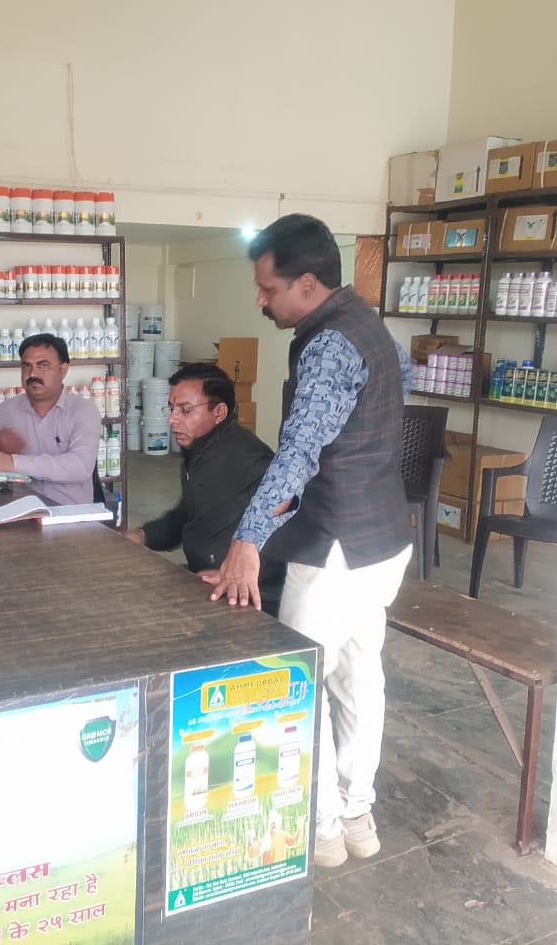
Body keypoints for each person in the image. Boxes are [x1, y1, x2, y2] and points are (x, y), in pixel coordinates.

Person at [204, 214, 414, 869]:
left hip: (334, 547)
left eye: (268, 289)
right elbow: (398, 387)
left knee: (298, 682)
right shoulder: (370, 324)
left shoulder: (327, 347)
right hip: (384, 538)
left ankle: (319, 828)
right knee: (359, 678)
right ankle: (357, 814)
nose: (260, 301)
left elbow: (297, 454)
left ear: (307, 284)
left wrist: (248, 540)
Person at [124, 363, 285, 613]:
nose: (171, 419)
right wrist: (144, 536)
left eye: (185, 410)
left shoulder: (251, 459)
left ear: (219, 412)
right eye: (171, 408)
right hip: (202, 577)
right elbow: (188, 513)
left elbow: (286, 527)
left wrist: (237, 572)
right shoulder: (199, 451)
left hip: (242, 594)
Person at [0, 333, 101, 506]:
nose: (32, 373)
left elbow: (81, 466)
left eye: (43, 365)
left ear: (63, 370)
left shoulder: (83, 411)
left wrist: (12, 463)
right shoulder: (9, 408)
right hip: (20, 511)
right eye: (26, 366)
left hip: (69, 513)